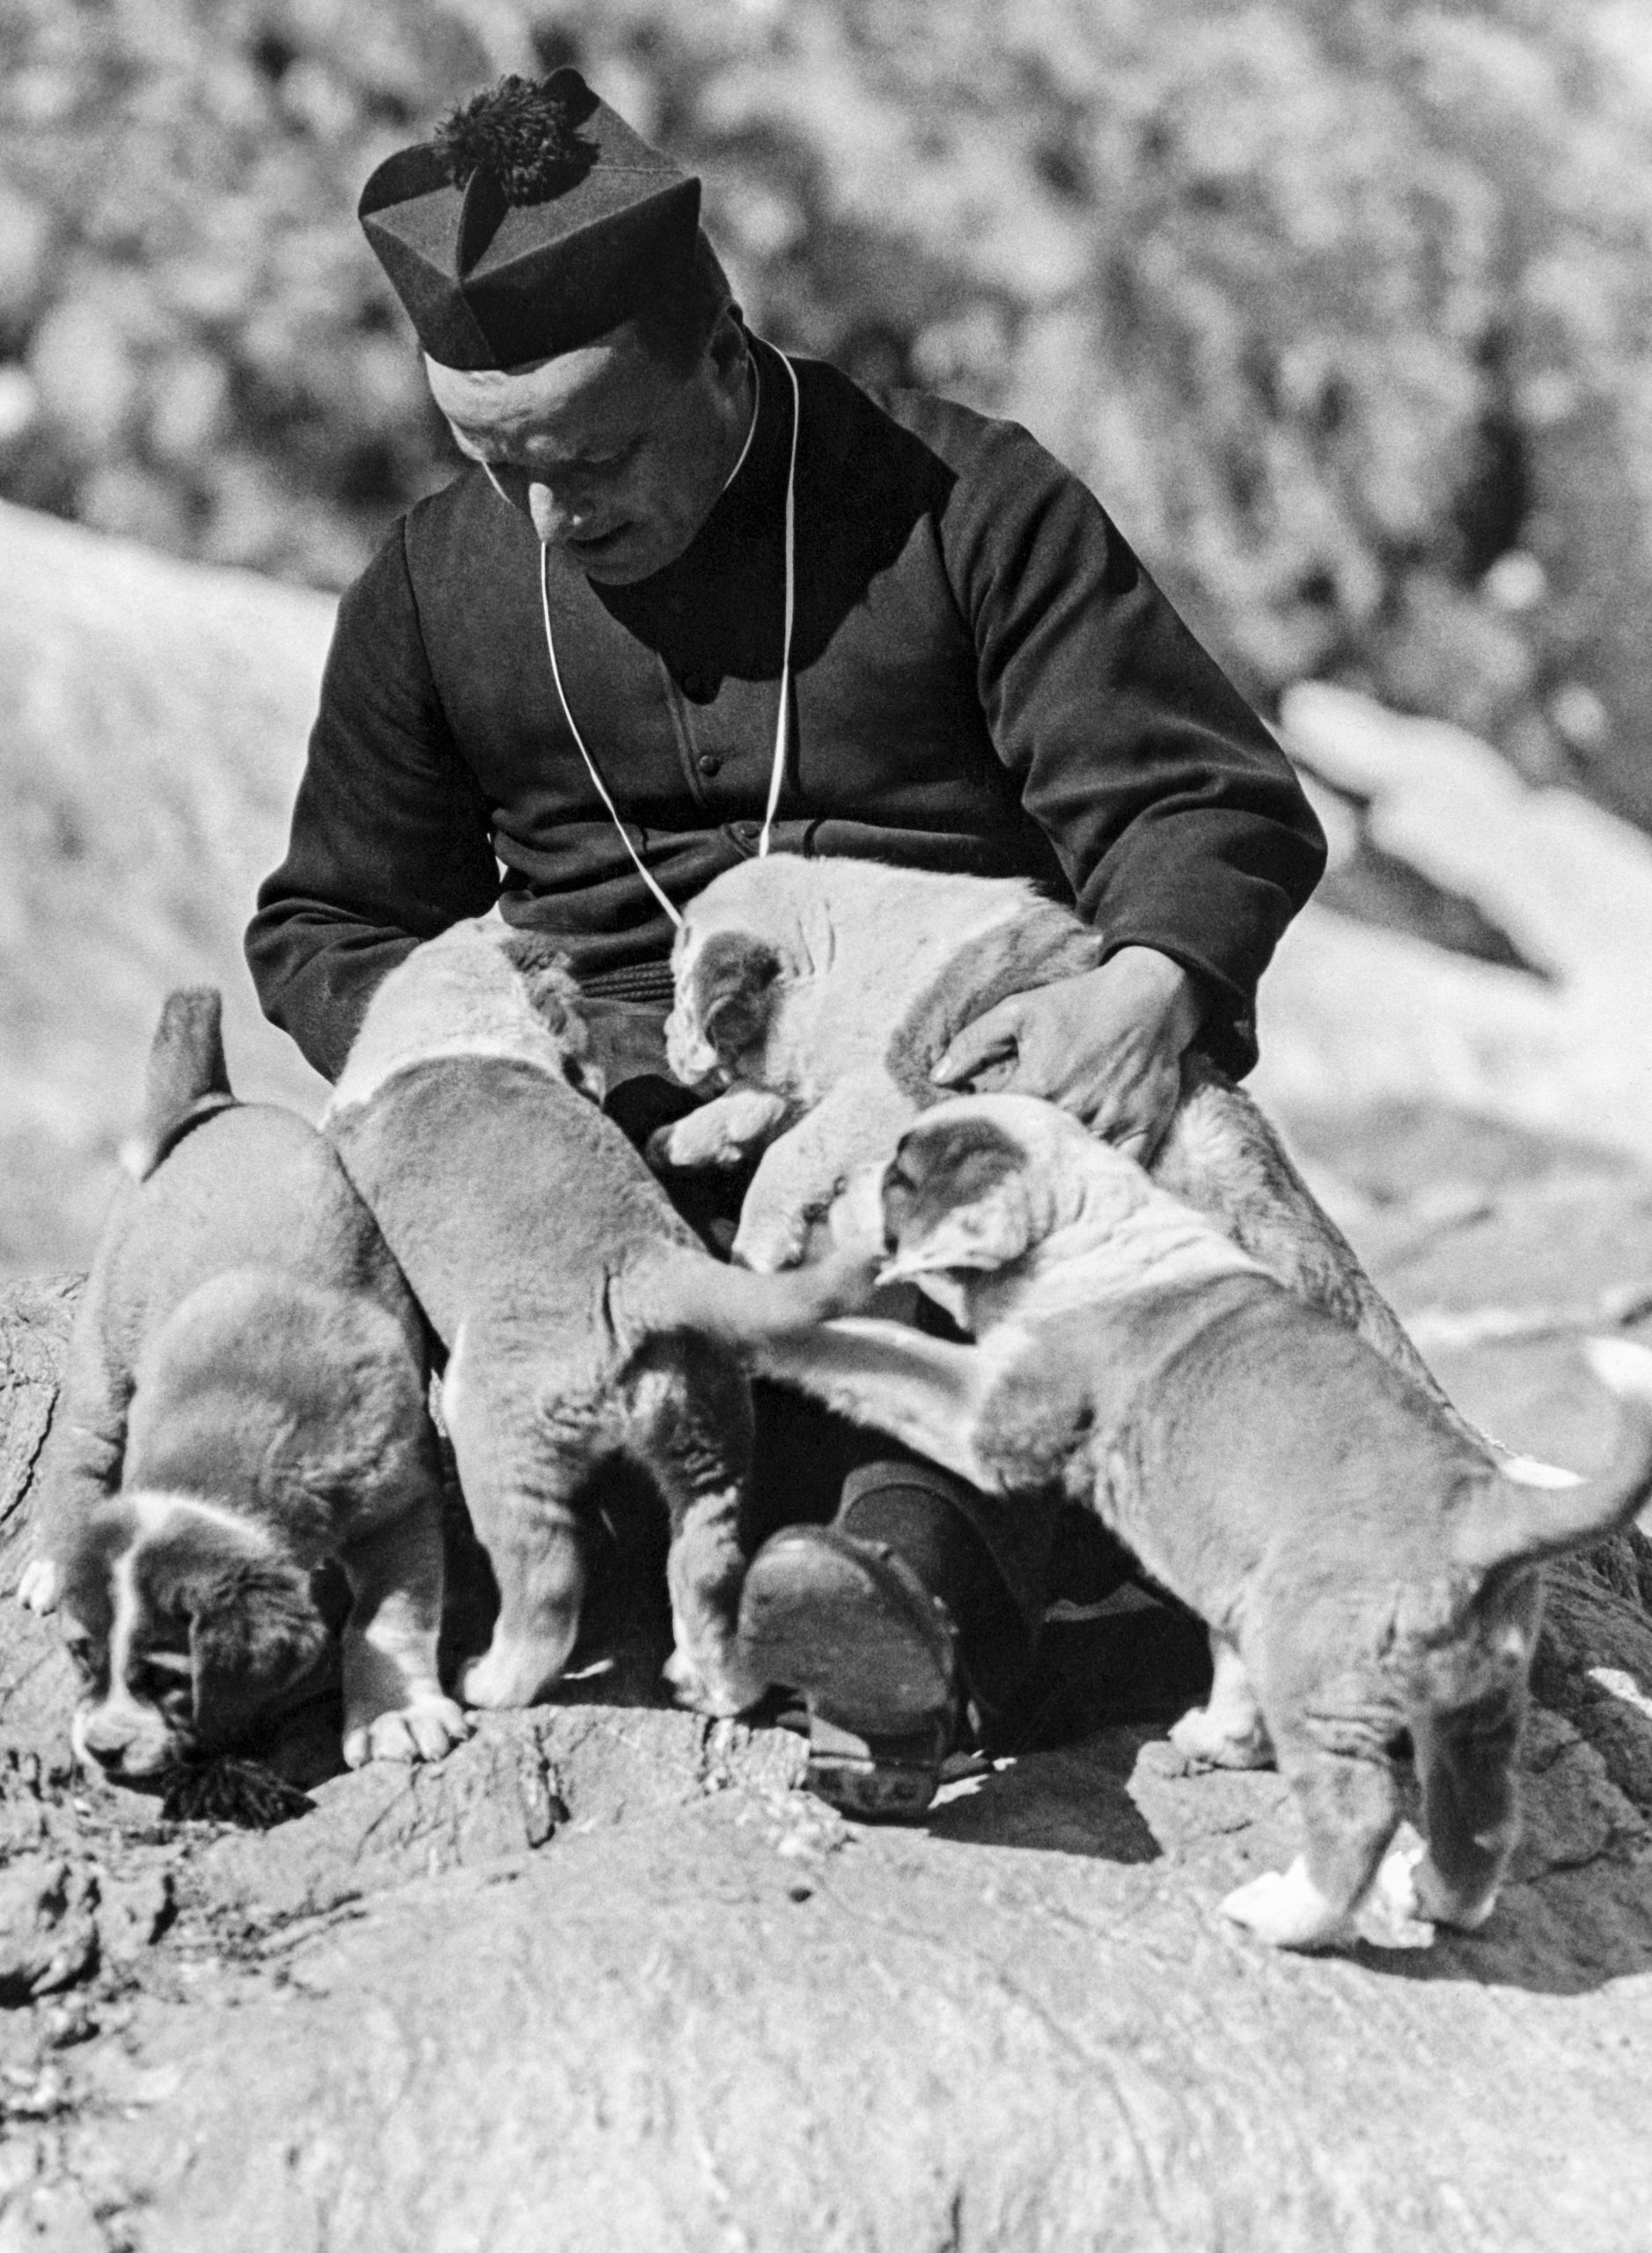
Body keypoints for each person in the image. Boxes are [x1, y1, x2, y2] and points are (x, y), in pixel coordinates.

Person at [246, 68, 1326, 1815]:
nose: (549, 516)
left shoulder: (965, 504)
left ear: (725, 364)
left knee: (1012, 1183)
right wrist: (511, 1067)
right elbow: (334, 919)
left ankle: (894, 1598)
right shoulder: (437, 588)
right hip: (607, 1183)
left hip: (938, 1120)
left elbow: (1194, 807)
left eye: (591, 457)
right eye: (494, 464)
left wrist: (1151, 981)